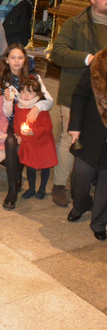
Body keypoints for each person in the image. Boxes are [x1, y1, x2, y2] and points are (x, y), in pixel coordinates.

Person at [51, 0, 107, 208]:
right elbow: (58, 53)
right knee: (69, 138)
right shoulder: (75, 24)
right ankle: (59, 184)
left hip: (103, 98)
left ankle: (87, 182)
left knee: (96, 139)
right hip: (77, 92)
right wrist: (87, 59)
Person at [0, 44, 53, 210]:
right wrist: (8, 100)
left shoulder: (34, 77)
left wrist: (38, 107)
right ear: (7, 60)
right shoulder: (3, 79)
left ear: (25, 60)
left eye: (20, 57)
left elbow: (49, 100)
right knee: (11, 143)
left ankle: (18, 181)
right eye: (13, 58)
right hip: (11, 120)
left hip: (30, 121)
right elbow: (7, 113)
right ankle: (12, 188)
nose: (16, 61)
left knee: (24, 142)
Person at [67, 49, 107, 241]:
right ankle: (81, 205)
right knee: (80, 176)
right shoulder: (99, 61)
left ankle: (99, 222)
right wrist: (75, 126)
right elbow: (80, 95)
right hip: (91, 131)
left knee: (105, 185)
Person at [13, 77, 58, 200]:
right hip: (29, 143)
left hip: (43, 143)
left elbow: (48, 126)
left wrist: (33, 131)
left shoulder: (40, 108)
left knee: (44, 166)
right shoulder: (19, 106)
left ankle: (42, 188)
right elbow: (16, 122)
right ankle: (31, 188)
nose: (26, 95)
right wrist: (18, 134)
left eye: (30, 92)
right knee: (30, 167)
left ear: (37, 94)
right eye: (23, 92)